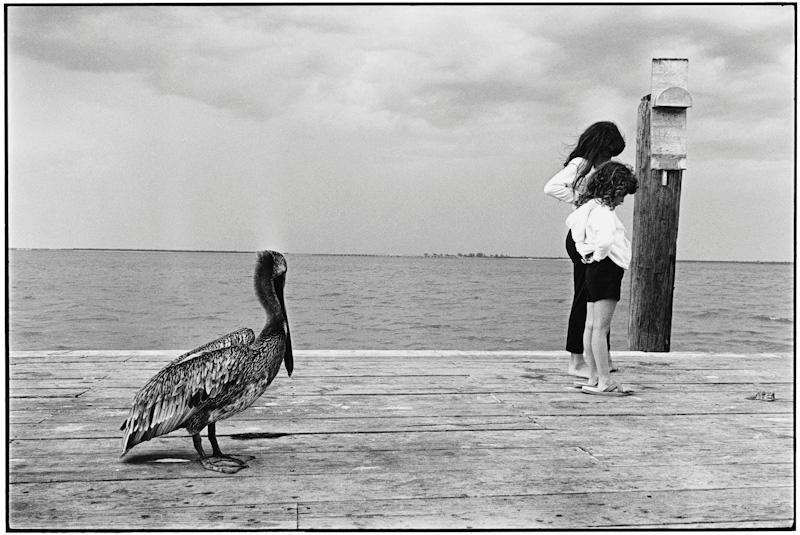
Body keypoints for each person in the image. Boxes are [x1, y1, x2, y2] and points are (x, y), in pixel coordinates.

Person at [543, 122, 625, 377]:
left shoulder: (594, 167)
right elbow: (552, 187)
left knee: (597, 299)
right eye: (608, 153)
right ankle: (576, 361)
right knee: (585, 297)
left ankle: (602, 359)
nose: (609, 159)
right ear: (599, 147)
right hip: (582, 240)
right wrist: (581, 200)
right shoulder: (581, 163)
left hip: (590, 236)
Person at [565, 161, 637, 396]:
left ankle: (595, 375)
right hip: (606, 270)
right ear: (615, 189)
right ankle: (605, 380)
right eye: (623, 194)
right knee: (601, 328)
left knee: (591, 325)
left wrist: (587, 253)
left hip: (594, 270)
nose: (623, 201)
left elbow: (574, 229)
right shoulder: (605, 213)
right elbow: (605, 242)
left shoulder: (588, 209)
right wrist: (598, 255)